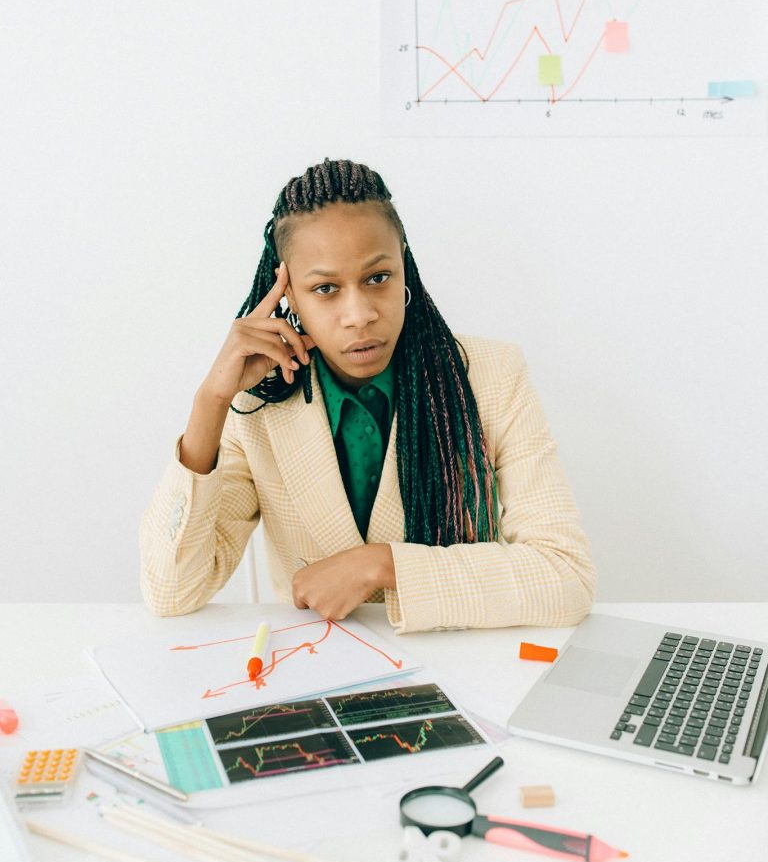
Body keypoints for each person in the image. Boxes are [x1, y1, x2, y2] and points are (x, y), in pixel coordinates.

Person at [140, 158, 595, 633]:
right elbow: (173, 592)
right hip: (318, 673)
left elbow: (566, 575)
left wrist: (382, 566)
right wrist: (210, 403)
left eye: (378, 278)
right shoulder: (258, 405)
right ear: (288, 295)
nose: (359, 315)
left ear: (405, 270)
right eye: (325, 289)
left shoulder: (491, 376)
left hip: (464, 669)